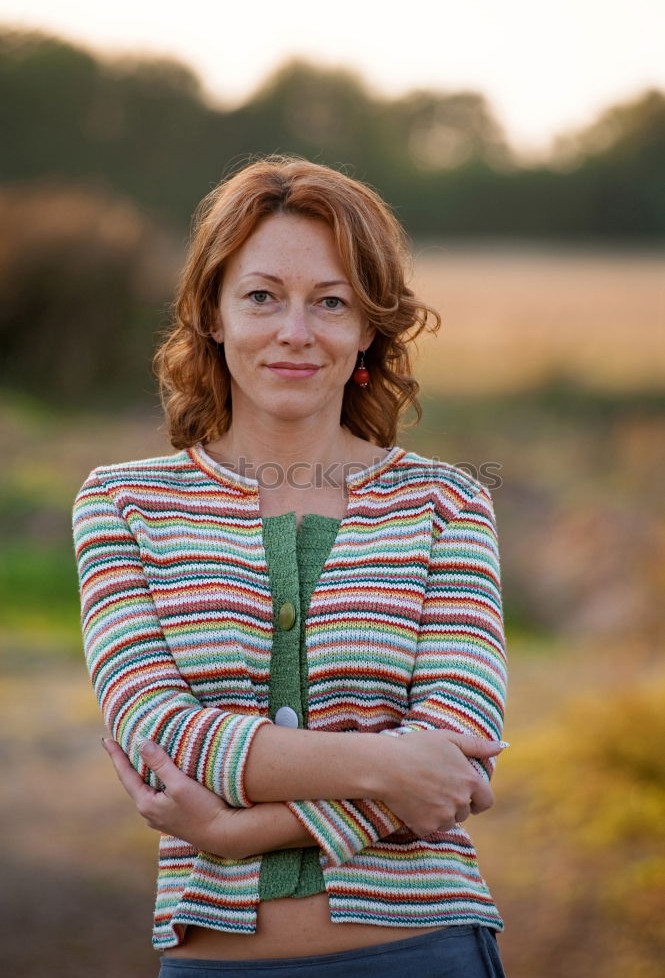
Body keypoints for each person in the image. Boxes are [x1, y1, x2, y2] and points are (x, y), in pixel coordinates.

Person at [72, 155, 509, 978]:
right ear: (212, 313)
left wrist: (237, 830)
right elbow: (161, 731)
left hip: (427, 951)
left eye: (332, 302)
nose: (295, 333)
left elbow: (458, 756)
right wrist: (389, 764)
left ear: (370, 326)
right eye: (262, 296)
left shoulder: (446, 504)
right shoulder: (123, 505)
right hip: (213, 962)